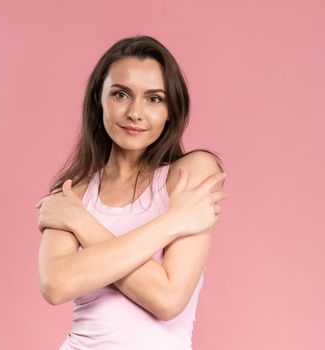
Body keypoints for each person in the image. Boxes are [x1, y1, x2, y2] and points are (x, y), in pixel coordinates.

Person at [35, 35, 228, 350]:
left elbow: (167, 298)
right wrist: (173, 222)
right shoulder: (72, 195)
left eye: (154, 99)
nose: (135, 113)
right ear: (99, 100)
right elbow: (55, 286)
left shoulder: (191, 172)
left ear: (171, 110)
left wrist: (82, 224)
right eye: (121, 94)